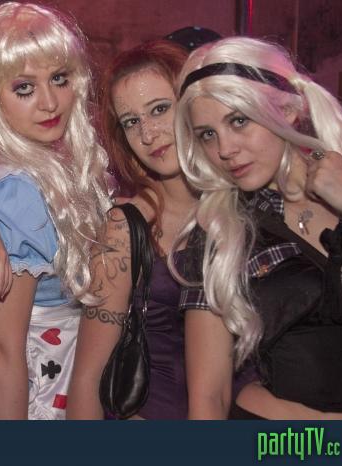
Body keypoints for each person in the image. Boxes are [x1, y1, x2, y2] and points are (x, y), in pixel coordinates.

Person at [173, 36, 342, 419]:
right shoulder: (221, 233)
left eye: (238, 121)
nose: (224, 149)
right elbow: (209, 398)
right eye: (208, 134)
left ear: (288, 110)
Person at [0, 2, 111, 420]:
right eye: (24, 88)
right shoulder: (17, 193)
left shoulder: (54, 171)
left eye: (59, 79)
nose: (50, 102)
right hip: (26, 397)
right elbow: (2, 354)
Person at [67, 40, 197, 419]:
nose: (148, 134)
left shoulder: (243, 206)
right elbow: (88, 379)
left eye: (159, 109)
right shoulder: (124, 229)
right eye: (131, 122)